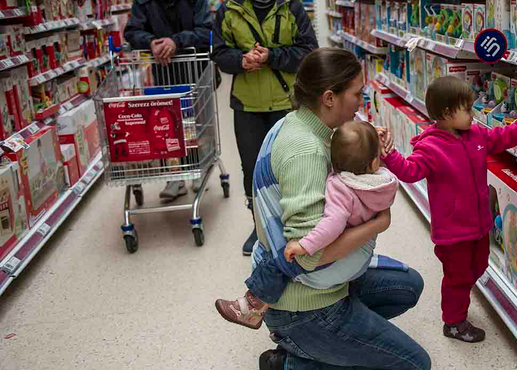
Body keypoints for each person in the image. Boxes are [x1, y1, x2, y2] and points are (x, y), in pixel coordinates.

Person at [243, 48, 429, 370]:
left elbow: (342, 160)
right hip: (305, 306)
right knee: (414, 363)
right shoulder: (306, 153)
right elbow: (308, 255)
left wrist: (367, 143)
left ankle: (322, 348)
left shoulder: (300, 122)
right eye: (357, 93)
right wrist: (378, 224)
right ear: (329, 97)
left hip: (318, 285)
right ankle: (298, 357)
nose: (362, 100)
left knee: (407, 285)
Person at [381, 75, 517, 343]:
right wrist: (389, 155)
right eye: (467, 109)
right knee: (457, 278)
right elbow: (409, 172)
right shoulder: (431, 147)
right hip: (453, 231)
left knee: (479, 266)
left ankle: (460, 298)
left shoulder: (476, 134)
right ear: (447, 113)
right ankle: (454, 322)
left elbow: (501, 137)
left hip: (480, 224)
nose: (473, 114)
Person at [214, 120, 403, 329]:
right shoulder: (382, 182)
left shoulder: (343, 188)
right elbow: (367, 163)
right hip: (358, 247)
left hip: (335, 245)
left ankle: (252, 307)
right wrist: (370, 144)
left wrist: (305, 245)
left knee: (279, 259)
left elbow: (332, 225)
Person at [211, 0, 318, 256]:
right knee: (252, 168)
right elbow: (219, 53)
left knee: (293, 165)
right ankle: (259, 227)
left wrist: (272, 56)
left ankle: (297, 226)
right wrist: (241, 60)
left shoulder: (291, 7)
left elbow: (309, 51)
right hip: (247, 104)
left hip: (287, 102)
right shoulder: (229, 10)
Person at [124, 0, 214, 201]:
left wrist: (176, 42)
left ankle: (198, 167)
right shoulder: (144, 2)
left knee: (197, 122)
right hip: (164, 73)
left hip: (196, 70)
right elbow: (131, 32)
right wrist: (150, 42)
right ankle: (175, 177)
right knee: (168, 127)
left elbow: (207, 30)